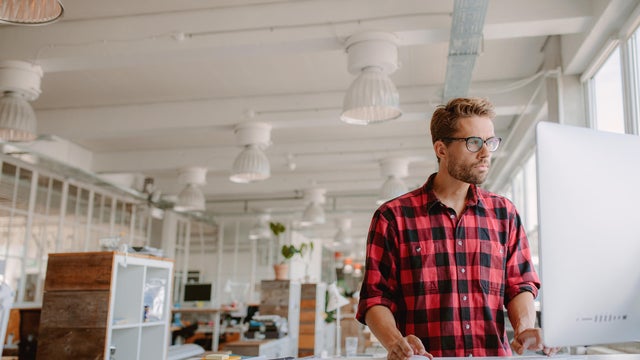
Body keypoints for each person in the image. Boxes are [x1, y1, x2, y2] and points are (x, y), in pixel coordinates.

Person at [356, 97, 556, 359]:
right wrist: (396, 342)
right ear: (441, 149)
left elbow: (519, 285)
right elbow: (375, 298)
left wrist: (524, 328)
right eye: (473, 143)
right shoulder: (393, 217)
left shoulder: (504, 213)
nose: (485, 153)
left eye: (490, 142)